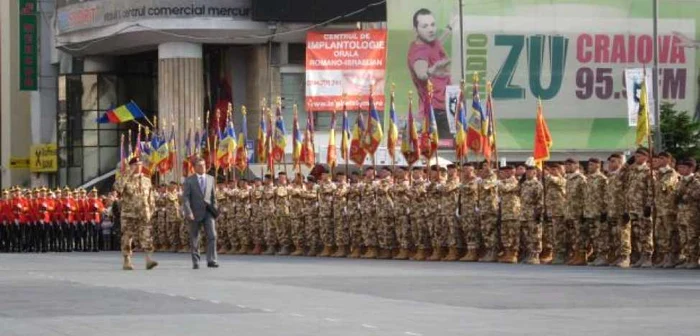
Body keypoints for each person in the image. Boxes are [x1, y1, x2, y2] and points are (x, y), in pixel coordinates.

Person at [407, 8, 456, 140]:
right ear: (416, 30)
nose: (431, 29)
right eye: (425, 26)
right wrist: (433, 69)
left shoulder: (430, 43)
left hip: (446, 108)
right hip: (436, 114)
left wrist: (450, 27)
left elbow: (439, 42)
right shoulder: (419, 53)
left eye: (432, 25)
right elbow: (421, 74)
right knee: (445, 155)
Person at [114, 157, 158, 270]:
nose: (139, 167)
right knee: (127, 237)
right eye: (136, 164)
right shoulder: (125, 179)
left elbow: (151, 197)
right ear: (131, 166)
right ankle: (127, 260)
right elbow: (118, 188)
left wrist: (151, 210)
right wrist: (128, 173)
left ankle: (148, 259)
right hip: (129, 214)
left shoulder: (146, 180)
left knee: (146, 235)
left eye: (140, 164)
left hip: (143, 213)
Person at [181, 158, 219, 269]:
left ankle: (211, 260)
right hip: (194, 212)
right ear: (195, 168)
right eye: (199, 165)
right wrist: (188, 212)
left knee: (212, 235)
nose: (202, 167)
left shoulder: (211, 179)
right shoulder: (189, 180)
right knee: (195, 237)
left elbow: (213, 196)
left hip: (208, 212)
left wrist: (215, 210)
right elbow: (186, 198)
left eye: (203, 165)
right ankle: (196, 261)